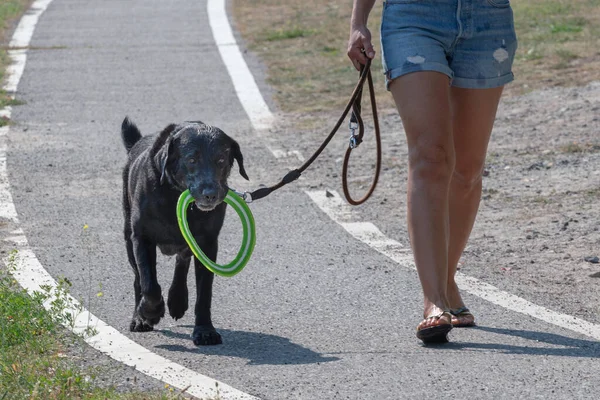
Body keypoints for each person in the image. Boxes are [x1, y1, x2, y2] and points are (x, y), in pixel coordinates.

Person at [347, 0, 517, 343]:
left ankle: (446, 279)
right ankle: (434, 300)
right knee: (431, 156)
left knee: (467, 171)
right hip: (414, 17)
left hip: (488, 17)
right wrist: (358, 21)